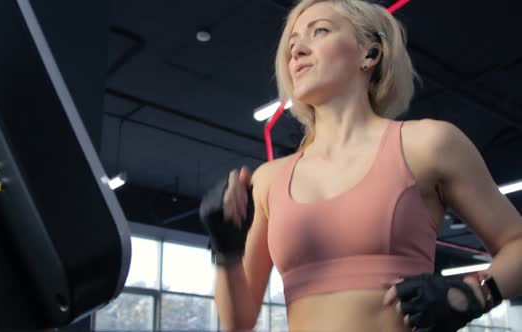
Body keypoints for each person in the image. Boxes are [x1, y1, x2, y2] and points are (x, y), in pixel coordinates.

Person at [199, 0, 522, 331]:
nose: (296, 52)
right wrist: (227, 252)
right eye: (292, 45)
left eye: (319, 31)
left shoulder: (428, 144)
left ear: (370, 54)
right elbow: (239, 321)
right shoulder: (269, 179)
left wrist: (474, 292)